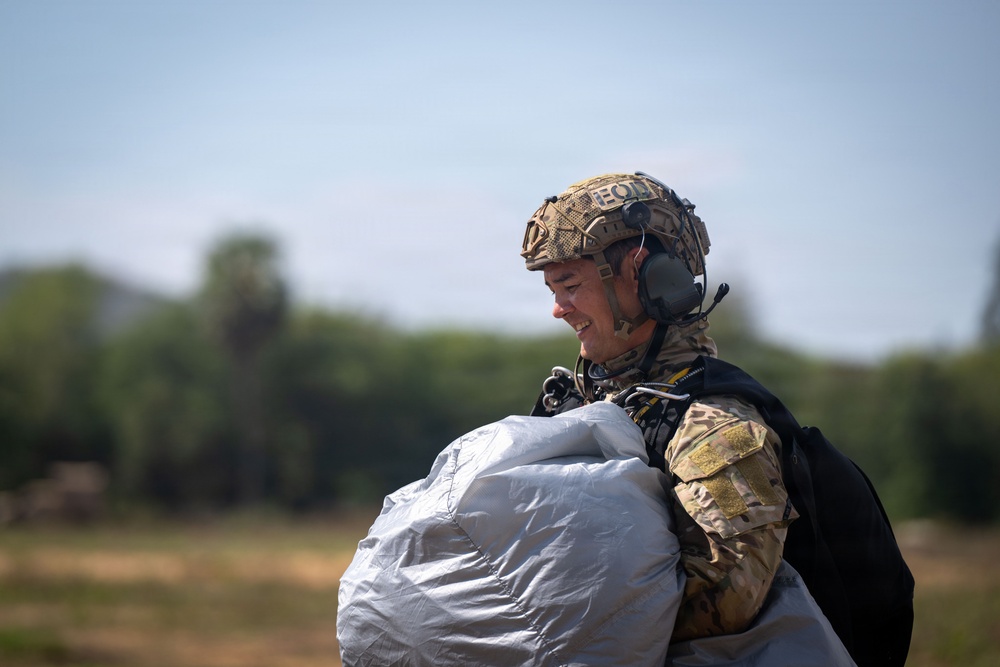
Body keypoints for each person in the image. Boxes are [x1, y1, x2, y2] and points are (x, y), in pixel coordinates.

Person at [521, 171, 796, 641]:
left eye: (570, 285)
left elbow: (726, 600)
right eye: (553, 292)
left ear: (641, 270)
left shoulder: (716, 429)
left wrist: (562, 625)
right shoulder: (577, 405)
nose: (558, 309)